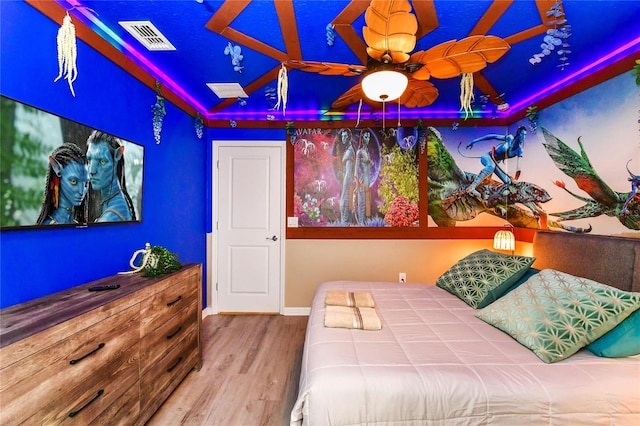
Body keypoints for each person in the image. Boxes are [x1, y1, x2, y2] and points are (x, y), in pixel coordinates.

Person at [85, 130, 136, 222]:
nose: (92, 170)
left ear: (118, 155)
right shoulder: (120, 199)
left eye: (102, 162)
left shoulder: (111, 217)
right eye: (89, 160)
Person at [465, 125, 527, 198]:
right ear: (519, 133)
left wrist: (515, 179)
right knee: (491, 166)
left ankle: (495, 197)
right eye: (523, 134)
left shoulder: (519, 150)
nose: (524, 137)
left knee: (508, 182)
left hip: (496, 164)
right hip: (488, 157)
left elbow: (518, 168)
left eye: (525, 135)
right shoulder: (509, 138)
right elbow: (492, 136)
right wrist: (474, 141)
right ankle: (471, 188)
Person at [36, 143, 88, 225]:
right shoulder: (48, 229)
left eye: (85, 183)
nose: (81, 191)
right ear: (57, 170)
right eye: (74, 181)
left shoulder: (77, 224)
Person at [336, 128, 356, 224]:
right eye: (342, 136)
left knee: (344, 206)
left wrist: (345, 187)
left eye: (345, 136)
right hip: (347, 180)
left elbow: (349, 173)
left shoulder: (349, 152)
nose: (343, 138)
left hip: (347, 184)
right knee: (344, 207)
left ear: (349, 138)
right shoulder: (349, 150)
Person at [354, 129, 372, 225]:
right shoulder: (359, 152)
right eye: (366, 137)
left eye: (369, 137)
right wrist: (357, 184)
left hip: (367, 181)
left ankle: (364, 227)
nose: (368, 139)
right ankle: (360, 226)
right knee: (361, 205)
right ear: (362, 138)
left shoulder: (367, 151)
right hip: (361, 182)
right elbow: (356, 170)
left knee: (366, 206)